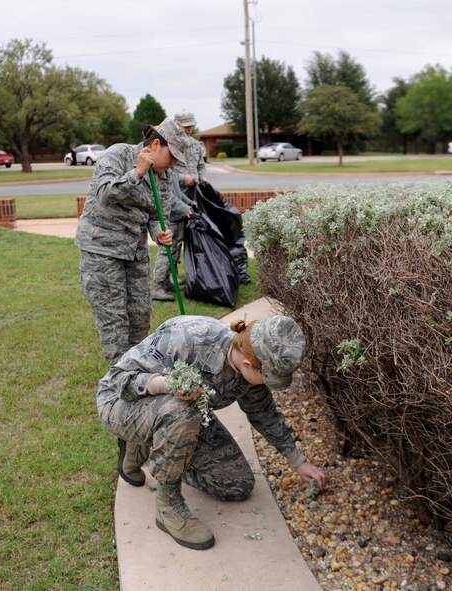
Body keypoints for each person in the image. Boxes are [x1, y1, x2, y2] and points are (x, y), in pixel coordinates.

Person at [97, 314, 327, 550]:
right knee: (182, 410)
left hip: (180, 415)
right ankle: (167, 504)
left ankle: (149, 441)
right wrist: (167, 385)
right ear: (248, 364)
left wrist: (298, 461)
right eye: (268, 378)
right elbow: (119, 379)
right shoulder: (188, 337)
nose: (268, 384)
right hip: (122, 403)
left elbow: (264, 414)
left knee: (236, 483)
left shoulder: (249, 364)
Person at [75, 117, 189, 365]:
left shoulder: (164, 178)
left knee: (140, 316)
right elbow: (104, 195)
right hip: (101, 251)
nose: (172, 166)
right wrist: (136, 173)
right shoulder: (118, 154)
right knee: (114, 322)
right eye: (172, 157)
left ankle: (136, 371)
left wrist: (160, 232)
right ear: (156, 144)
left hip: (135, 252)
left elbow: (157, 216)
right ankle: (120, 382)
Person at [151, 110, 208, 302]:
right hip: (173, 204)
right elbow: (171, 188)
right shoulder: (168, 148)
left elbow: (200, 166)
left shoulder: (195, 146)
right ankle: (159, 284)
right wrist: (186, 181)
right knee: (168, 245)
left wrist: (199, 182)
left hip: (184, 201)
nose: (189, 130)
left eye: (191, 126)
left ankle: (169, 281)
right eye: (185, 127)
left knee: (176, 246)